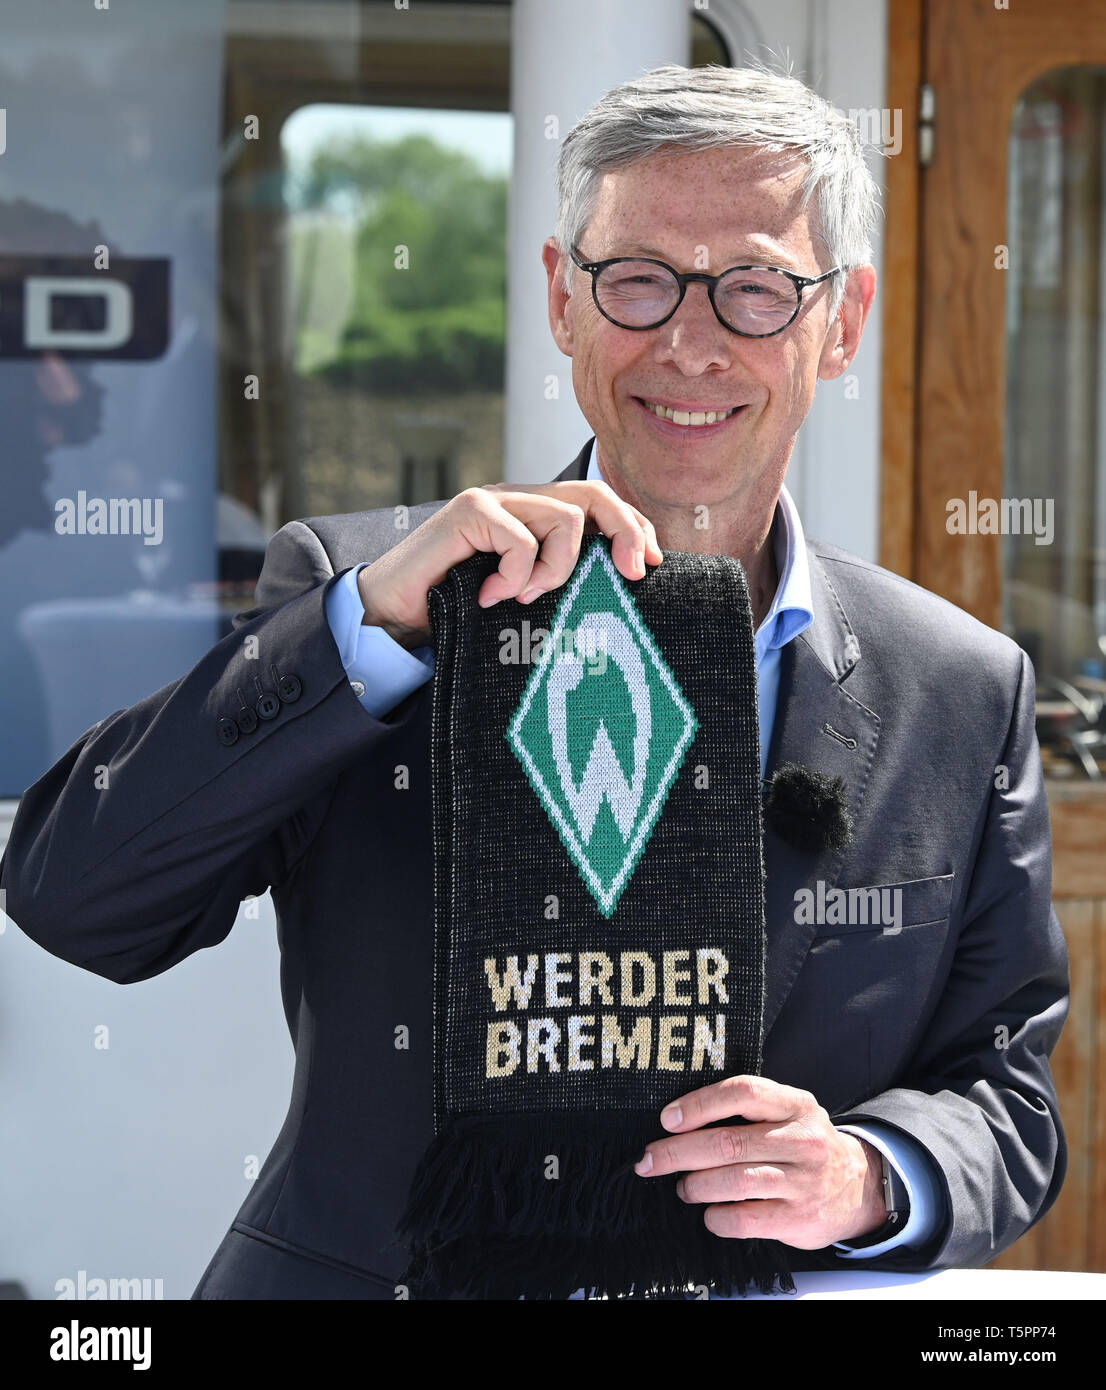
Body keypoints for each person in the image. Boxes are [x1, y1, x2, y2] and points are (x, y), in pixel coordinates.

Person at [0, 64, 1068, 1300]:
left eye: (757, 290)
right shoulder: (367, 595)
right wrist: (370, 631)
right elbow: (78, 897)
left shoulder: (959, 686)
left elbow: (1003, 1091)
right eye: (637, 279)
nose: (689, 340)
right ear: (563, 297)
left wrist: (869, 1175)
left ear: (842, 322)